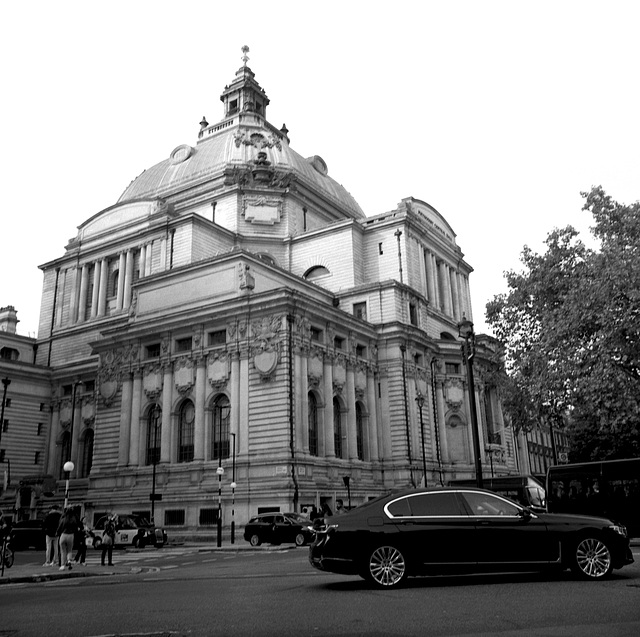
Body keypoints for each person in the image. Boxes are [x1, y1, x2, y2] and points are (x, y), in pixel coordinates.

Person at [57, 506, 80, 570]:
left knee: (63, 551)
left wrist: (57, 532)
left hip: (64, 534)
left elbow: (60, 526)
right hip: (71, 535)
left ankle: (62, 565)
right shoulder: (74, 518)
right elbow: (77, 526)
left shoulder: (63, 518)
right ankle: (69, 560)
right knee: (69, 550)